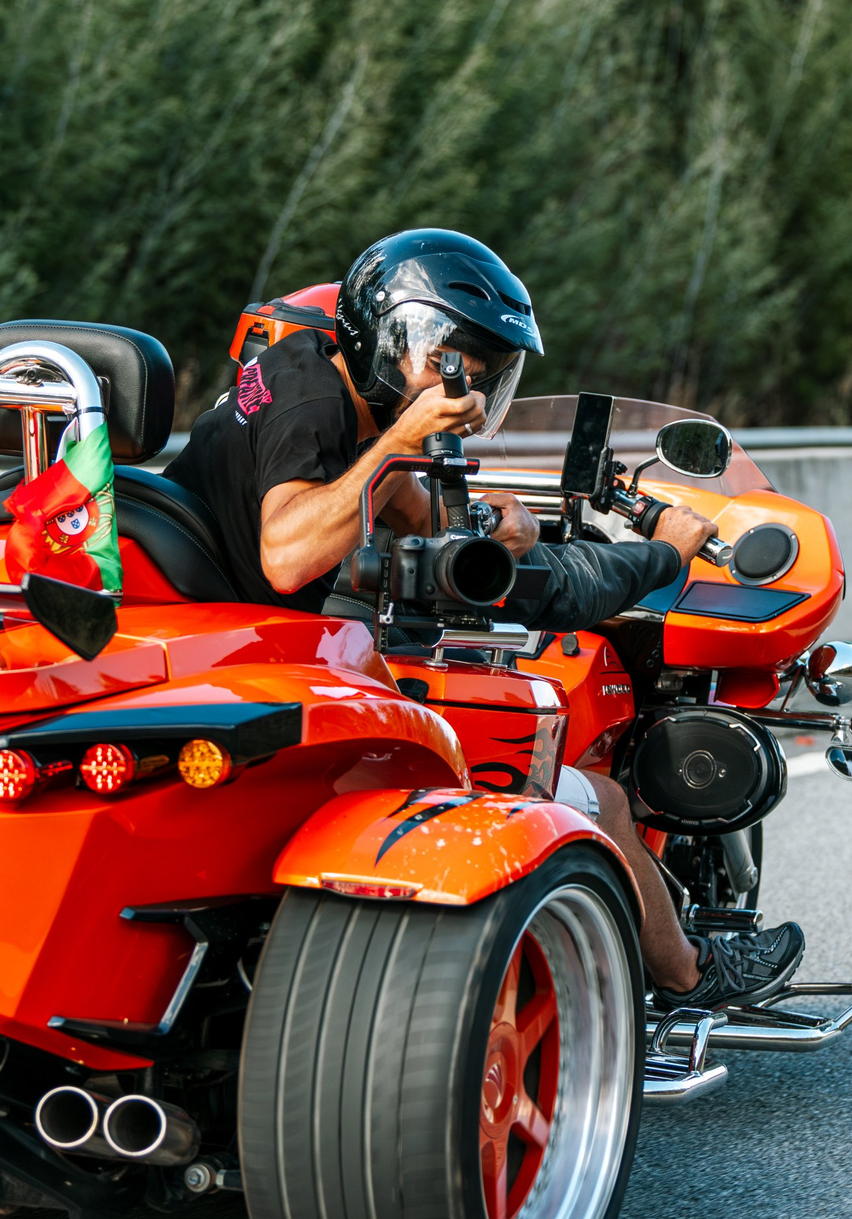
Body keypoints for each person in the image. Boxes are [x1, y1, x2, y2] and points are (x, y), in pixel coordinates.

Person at [168, 228, 806, 1010]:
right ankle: (691, 975)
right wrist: (664, 556)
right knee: (599, 800)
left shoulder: (301, 379)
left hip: (227, 657)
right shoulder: (315, 404)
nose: (461, 387)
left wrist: (479, 520)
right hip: (267, 675)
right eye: (448, 359)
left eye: (483, 371)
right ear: (388, 332)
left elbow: (411, 511)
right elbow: (290, 555)